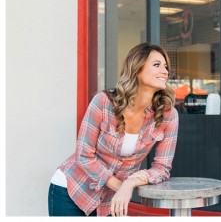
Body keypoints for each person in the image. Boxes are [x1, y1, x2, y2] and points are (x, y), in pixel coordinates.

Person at [48, 43, 179, 216]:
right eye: (157, 65)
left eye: (166, 67)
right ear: (137, 70)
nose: (165, 71)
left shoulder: (168, 115)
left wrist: (130, 183)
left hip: (110, 201)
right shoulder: (104, 102)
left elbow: (162, 168)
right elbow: (83, 155)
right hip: (72, 191)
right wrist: (120, 186)